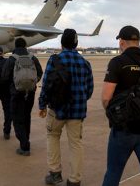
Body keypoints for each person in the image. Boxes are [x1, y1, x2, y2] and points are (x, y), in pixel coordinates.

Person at [101, 26, 140, 186]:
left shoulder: (118, 62)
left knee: (113, 173)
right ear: (138, 41)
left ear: (121, 42)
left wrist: (118, 114)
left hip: (124, 129)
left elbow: (105, 98)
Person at [39, 29, 94, 186]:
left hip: (56, 109)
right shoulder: (85, 63)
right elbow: (89, 90)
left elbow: (46, 85)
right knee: (75, 143)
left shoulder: (55, 60)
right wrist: (79, 99)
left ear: (61, 43)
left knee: (53, 136)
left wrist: (42, 104)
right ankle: (74, 180)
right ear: (76, 44)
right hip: (77, 111)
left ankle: (55, 174)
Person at [2, 38, 43, 156]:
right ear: (25, 45)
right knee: (26, 117)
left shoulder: (11, 59)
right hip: (30, 92)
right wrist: (33, 83)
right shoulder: (33, 58)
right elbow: (39, 72)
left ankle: (24, 145)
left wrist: (13, 85)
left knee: (16, 118)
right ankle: (25, 141)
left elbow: (4, 77)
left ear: (15, 46)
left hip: (16, 93)